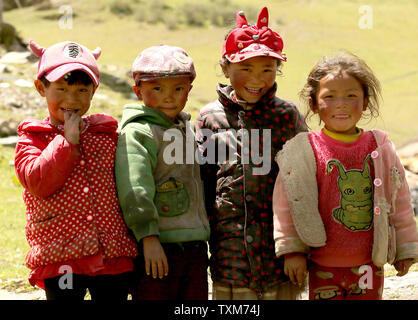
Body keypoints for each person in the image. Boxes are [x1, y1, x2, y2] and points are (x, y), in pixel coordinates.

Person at [273, 51, 418, 300]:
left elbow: (401, 201)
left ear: (365, 102)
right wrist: (292, 251)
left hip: (369, 263)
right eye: (329, 97)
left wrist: (405, 248)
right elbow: (287, 204)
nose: (340, 104)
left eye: (351, 96)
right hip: (321, 264)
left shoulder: (380, 148)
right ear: (313, 104)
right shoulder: (303, 150)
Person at [195, 7, 308, 300]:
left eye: (267, 69)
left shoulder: (286, 116)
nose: (257, 79)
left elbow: (303, 185)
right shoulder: (210, 118)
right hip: (229, 254)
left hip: (278, 254)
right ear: (225, 68)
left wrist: (296, 247)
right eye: (245, 68)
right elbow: (204, 182)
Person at [14, 40, 138, 300]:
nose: (72, 99)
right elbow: (38, 182)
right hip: (61, 256)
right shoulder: (33, 138)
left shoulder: (106, 135)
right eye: (61, 88)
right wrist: (67, 141)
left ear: (94, 90)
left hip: (111, 253)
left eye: (82, 90)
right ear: (41, 88)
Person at [115, 45, 210, 300]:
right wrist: (148, 237)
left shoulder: (185, 128)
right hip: (158, 245)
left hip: (194, 244)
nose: (169, 97)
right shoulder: (138, 133)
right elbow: (135, 188)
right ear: (138, 91)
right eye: (157, 89)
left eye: (178, 88)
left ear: (189, 90)